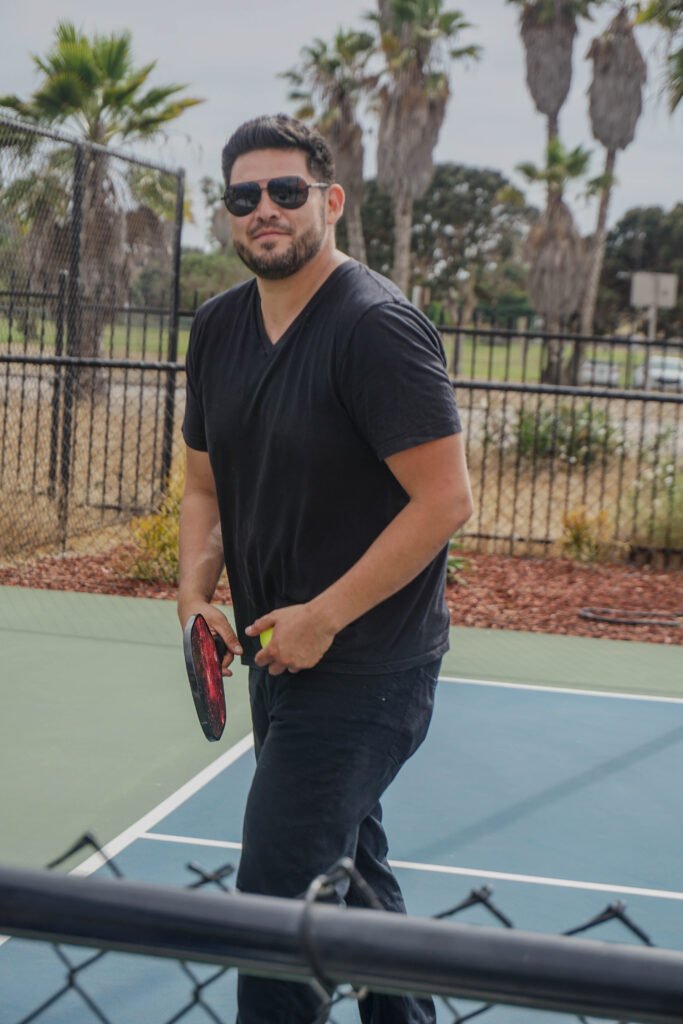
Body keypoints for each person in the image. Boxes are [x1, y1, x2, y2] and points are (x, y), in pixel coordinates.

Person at [178, 113, 473, 1024]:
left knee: (276, 898)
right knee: (351, 880)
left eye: (286, 191)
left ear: (330, 200)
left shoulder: (377, 328)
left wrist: (325, 616)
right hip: (278, 655)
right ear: (227, 214)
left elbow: (445, 500)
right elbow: (202, 487)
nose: (264, 209)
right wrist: (194, 594)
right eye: (243, 196)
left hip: (368, 665)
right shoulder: (218, 328)